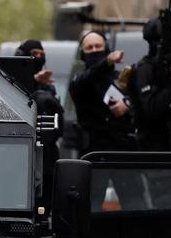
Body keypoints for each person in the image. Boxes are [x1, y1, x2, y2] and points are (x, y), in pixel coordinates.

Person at [69, 31, 135, 156]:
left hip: (123, 151)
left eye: (98, 46)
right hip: (93, 154)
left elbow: (141, 101)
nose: (94, 50)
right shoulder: (79, 80)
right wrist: (107, 61)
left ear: (106, 49)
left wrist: (127, 104)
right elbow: (88, 76)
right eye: (89, 48)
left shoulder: (121, 78)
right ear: (83, 54)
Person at [16, 39, 63, 203]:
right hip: (20, 154)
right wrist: (33, 81)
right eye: (34, 54)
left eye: (41, 54)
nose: (38, 57)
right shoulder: (10, 81)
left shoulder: (48, 88)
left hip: (47, 156)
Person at [130, 16, 171, 152]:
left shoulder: (169, 68)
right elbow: (152, 108)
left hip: (170, 144)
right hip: (152, 149)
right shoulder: (145, 69)